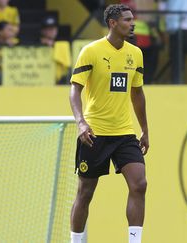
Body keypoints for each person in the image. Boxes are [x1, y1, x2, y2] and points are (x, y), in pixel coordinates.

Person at [69, 4, 149, 243]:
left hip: (124, 133)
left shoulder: (135, 53)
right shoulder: (91, 51)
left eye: (132, 19)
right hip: (95, 133)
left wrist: (145, 129)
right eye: (127, 19)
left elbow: (137, 93)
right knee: (85, 193)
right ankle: (76, 241)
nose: (132, 23)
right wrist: (81, 123)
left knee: (140, 183)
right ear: (112, 23)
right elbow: (75, 91)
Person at [39, 15, 72, 84]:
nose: (52, 31)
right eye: (49, 29)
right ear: (43, 31)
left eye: (54, 28)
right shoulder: (36, 44)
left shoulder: (61, 45)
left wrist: (53, 45)